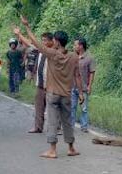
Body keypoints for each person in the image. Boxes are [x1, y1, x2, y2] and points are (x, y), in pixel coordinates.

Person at [14, 18, 82, 159]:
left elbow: (34, 42)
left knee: (52, 121)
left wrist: (27, 26)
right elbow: (77, 76)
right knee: (67, 122)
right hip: (66, 94)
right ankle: (71, 148)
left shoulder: (52, 54)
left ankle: (52, 150)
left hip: (52, 93)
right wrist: (81, 93)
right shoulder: (73, 57)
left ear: (56, 42)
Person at [29, 32, 53, 134]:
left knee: (52, 108)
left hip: (50, 85)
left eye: (45, 40)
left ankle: (55, 128)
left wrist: (26, 27)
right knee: (38, 107)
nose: (43, 42)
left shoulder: (52, 52)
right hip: (40, 83)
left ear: (52, 41)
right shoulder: (40, 51)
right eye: (42, 40)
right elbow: (30, 43)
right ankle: (38, 127)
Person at [70, 38, 96, 133]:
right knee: (72, 107)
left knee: (84, 108)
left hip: (84, 87)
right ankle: (71, 125)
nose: (74, 46)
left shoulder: (89, 58)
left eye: (75, 45)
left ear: (81, 46)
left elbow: (92, 73)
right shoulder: (73, 56)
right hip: (72, 86)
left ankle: (84, 126)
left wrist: (90, 86)